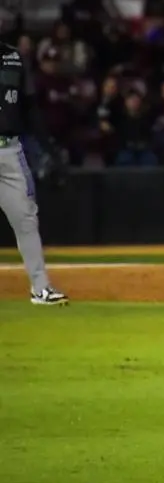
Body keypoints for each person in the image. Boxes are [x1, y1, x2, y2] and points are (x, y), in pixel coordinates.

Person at [0, 40, 68, 306]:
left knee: (26, 219)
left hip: (10, 150)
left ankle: (40, 288)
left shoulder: (14, 58)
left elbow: (30, 108)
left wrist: (48, 148)